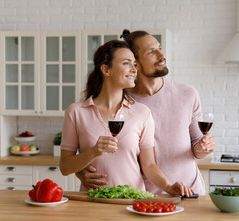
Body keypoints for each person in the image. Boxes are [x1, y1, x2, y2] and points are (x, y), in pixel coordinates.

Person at [75, 31, 216, 195]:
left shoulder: (187, 94)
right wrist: (81, 172)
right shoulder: (121, 101)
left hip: (189, 191)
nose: (162, 55)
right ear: (135, 64)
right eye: (151, 52)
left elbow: (197, 147)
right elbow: (94, 148)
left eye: (159, 48)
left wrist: (204, 147)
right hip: (144, 196)